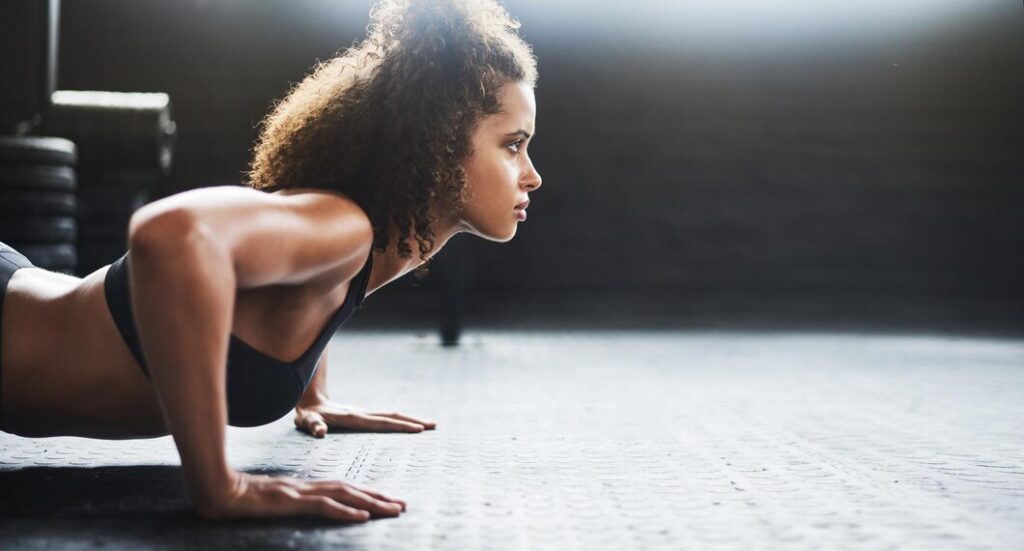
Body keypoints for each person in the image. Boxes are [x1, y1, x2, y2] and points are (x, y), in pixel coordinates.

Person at [0, 0, 541, 523]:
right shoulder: (346, 230)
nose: (531, 175)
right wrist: (220, 486)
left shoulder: (360, 243)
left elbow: (301, 296)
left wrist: (311, 393)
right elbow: (170, 236)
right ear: (440, 144)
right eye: (512, 145)